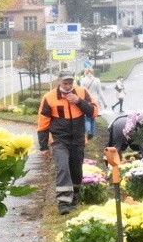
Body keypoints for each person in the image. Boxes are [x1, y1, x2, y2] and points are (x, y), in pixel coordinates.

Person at [37, 70, 99, 215]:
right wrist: (43, 146)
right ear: (59, 82)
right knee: (63, 168)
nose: (68, 85)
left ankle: (75, 197)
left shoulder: (82, 92)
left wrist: (78, 101)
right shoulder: (49, 97)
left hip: (78, 139)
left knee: (76, 170)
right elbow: (43, 123)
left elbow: (93, 112)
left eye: (70, 82)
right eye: (65, 82)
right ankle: (64, 202)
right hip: (59, 140)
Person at [80, 68, 107, 138]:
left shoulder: (83, 80)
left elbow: (81, 92)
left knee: (87, 118)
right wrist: (104, 103)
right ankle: (92, 133)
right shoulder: (97, 80)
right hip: (95, 101)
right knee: (93, 117)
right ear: (92, 72)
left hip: (86, 101)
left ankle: (88, 131)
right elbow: (100, 92)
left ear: (85, 73)